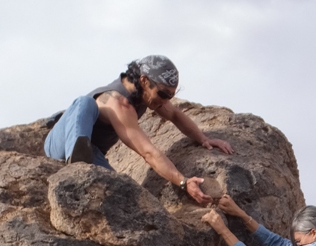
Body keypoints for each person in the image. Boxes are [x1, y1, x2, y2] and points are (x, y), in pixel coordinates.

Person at [44, 55, 233, 206]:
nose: (165, 101)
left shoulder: (145, 94)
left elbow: (175, 115)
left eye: (170, 95)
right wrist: (183, 182)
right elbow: (148, 152)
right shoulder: (119, 103)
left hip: (93, 153)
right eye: (163, 94)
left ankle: (82, 161)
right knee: (84, 103)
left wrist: (203, 139)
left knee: (124, 192)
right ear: (144, 80)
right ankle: (75, 161)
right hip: (59, 145)